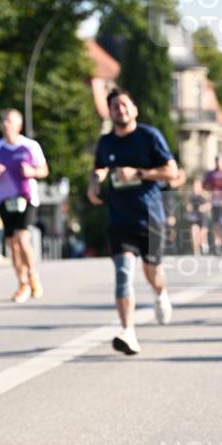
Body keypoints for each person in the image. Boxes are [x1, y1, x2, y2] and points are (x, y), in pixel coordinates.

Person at [87, 88, 177, 355]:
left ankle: (160, 294)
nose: (120, 110)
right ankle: (128, 331)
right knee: (123, 273)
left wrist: (138, 173)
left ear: (134, 109)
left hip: (149, 216)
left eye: (124, 105)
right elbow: (98, 168)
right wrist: (94, 184)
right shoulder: (105, 143)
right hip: (119, 218)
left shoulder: (149, 137)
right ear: (110, 112)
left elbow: (172, 171)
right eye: (115, 106)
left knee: (153, 273)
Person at [0, 108, 48, 302]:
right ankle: (22, 283)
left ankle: (32, 275)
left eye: (9, 121)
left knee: (22, 238)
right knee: (12, 243)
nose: (5, 125)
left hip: (26, 198)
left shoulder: (30, 146)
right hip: (4, 199)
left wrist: (31, 172)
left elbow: (44, 170)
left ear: (19, 125)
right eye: (3, 121)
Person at [185, 176, 210, 256]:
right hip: (194, 216)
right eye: (194, 185)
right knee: (194, 232)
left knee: (202, 233)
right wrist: (188, 208)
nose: (195, 187)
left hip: (203, 216)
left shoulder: (205, 194)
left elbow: (210, 204)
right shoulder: (190, 194)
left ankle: (204, 244)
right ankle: (196, 251)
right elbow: (187, 204)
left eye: (197, 185)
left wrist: (203, 207)